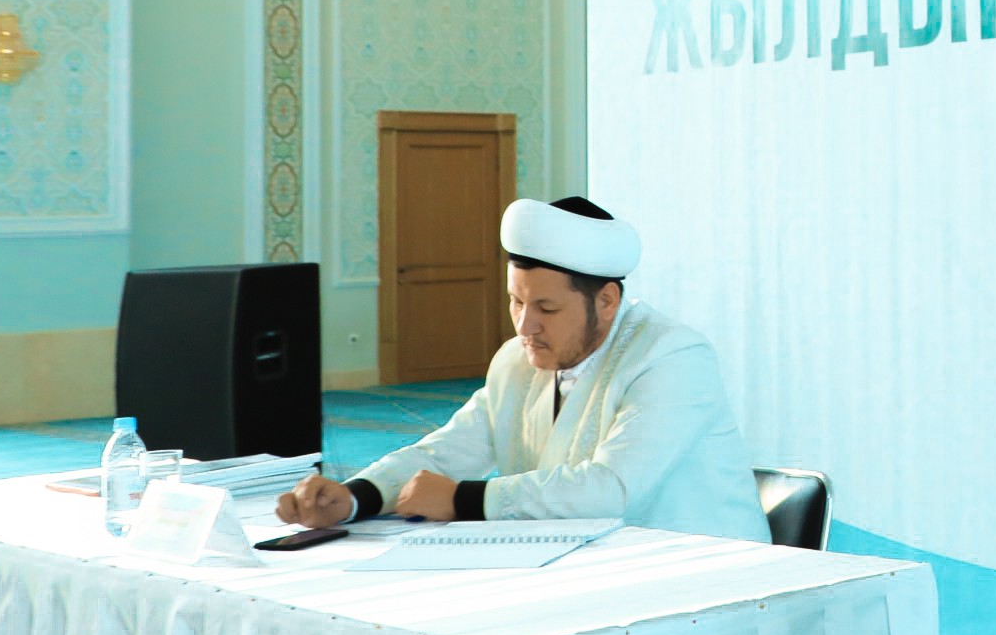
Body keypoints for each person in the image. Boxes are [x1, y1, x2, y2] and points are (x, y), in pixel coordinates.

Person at [278, 195, 772, 542]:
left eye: (546, 308)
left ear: (606, 301)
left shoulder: (672, 357)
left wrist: (466, 501)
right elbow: (448, 451)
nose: (524, 325)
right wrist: (355, 497)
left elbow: (612, 489)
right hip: (593, 570)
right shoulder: (518, 360)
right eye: (516, 302)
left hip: (708, 584)